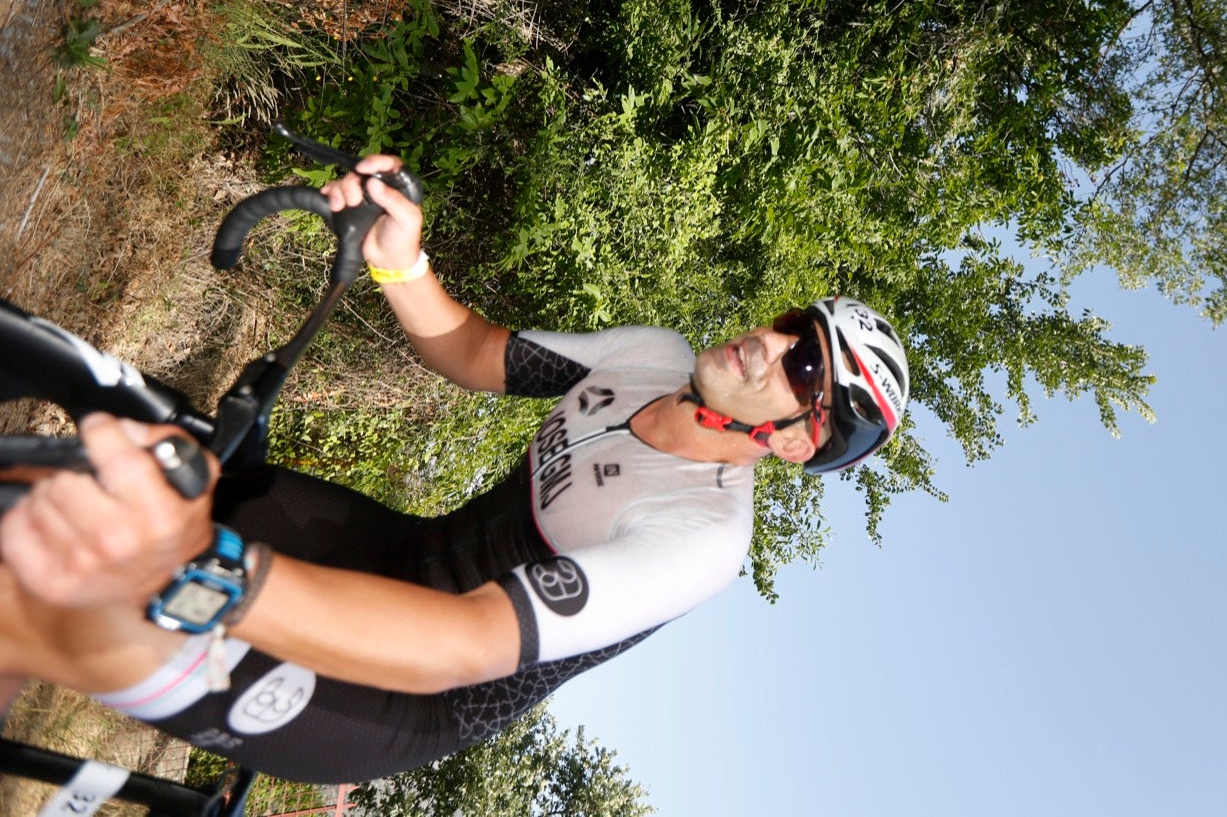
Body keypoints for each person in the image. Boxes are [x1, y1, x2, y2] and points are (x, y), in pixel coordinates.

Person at [0, 156, 910, 784]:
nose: (774, 341)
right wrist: (403, 264)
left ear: (797, 438)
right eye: (796, 323)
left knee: (47, 605)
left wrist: (209, 568)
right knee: (116, 460)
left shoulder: (702, 538)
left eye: (802, 368)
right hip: (389, 552)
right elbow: (477, 352)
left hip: (400, 694)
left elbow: (465, 645)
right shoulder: (649, 352)